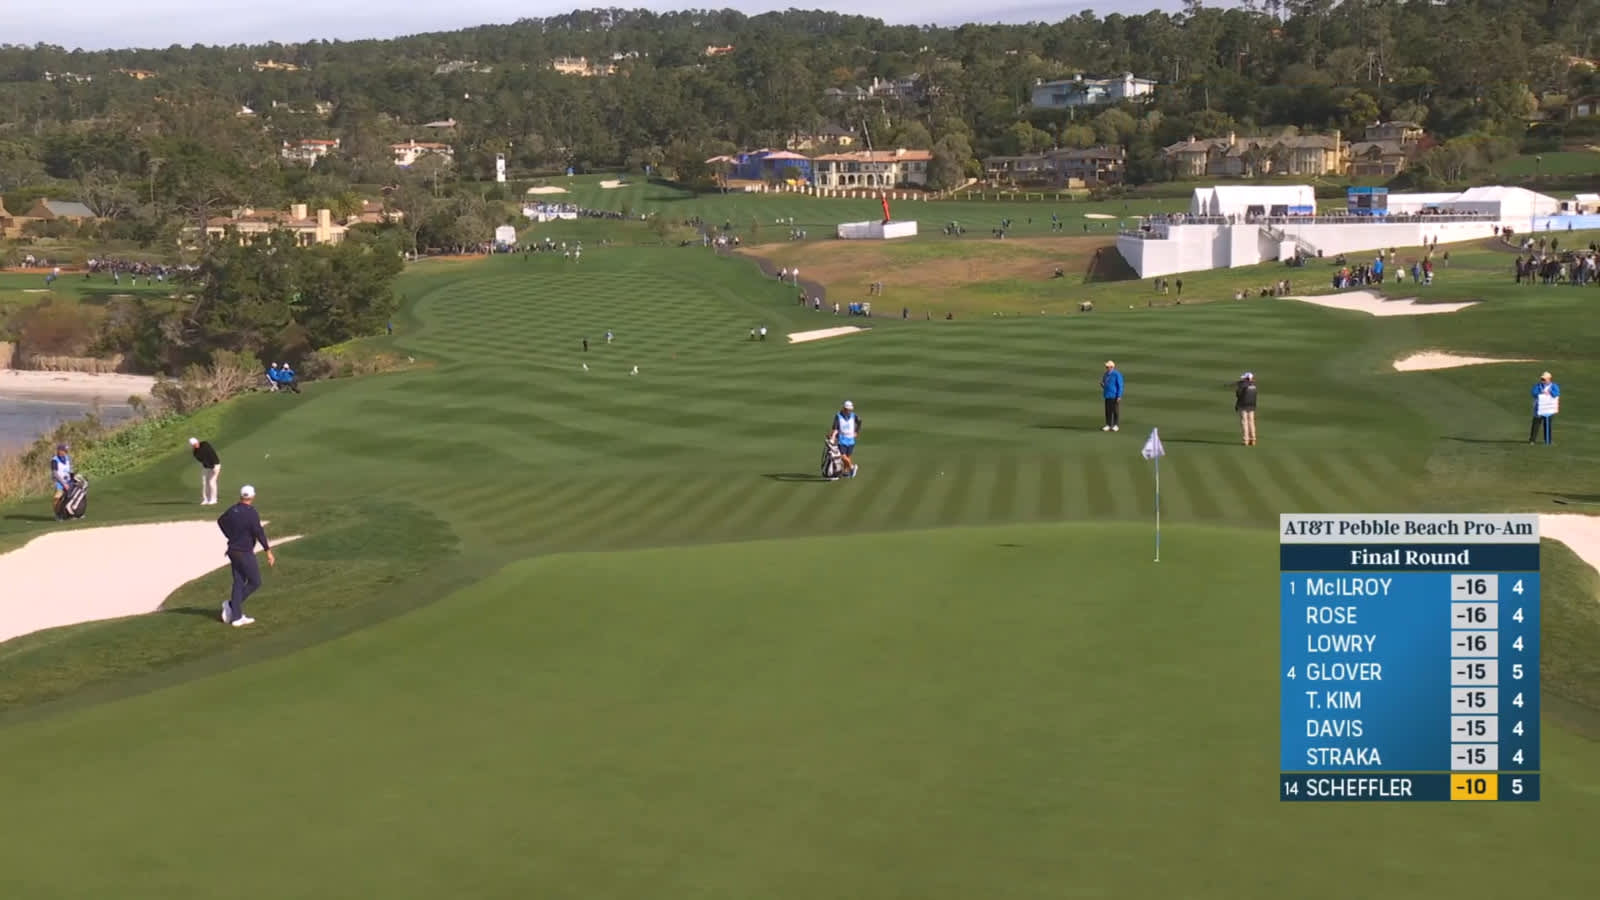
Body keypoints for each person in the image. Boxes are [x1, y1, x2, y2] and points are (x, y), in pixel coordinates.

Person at [217, 484, 275, 627]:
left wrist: (229, 535)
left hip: (232, 551)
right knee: (255, 582)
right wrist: (268, 551)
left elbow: (221, 521)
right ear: (252, 497)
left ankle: (236, 617)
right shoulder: (251, 512)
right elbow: (258, 532)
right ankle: (231, 605)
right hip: (244, 552)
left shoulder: (233, 509)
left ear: (242, 496)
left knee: (239, 582)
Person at [828, 400, 862, 479]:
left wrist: (856, 431)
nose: (849, 411)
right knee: (842, 456)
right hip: (842, 439)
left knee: (848, 456)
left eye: (850, 410)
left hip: (851, 440)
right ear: (844, 409)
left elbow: (859, 421)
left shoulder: (854, 416)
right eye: (848, 409)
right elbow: (835, 428)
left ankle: (846, 472)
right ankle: (852, 467)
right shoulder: (838, 416)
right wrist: (833, 436)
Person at [190, 436, 222, 505]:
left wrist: (213, 466)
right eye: (194, 445)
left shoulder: (205, 444)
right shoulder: (195, 453)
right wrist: (209, 466)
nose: (196, 445)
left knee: (212, 482)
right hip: (206, 467)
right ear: (192, 445)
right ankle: (205, 499)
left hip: (216, 465)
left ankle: (214, 499)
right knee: (204, 483)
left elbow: (211, 454)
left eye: (196, 443)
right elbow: (203, 460)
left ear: (198, 441)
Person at [1530, 371, 1560, 444]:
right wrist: (1541, 393)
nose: (1542, 380)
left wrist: (1550, 393)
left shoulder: (1554, 386)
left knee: (1548, 424)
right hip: (1539, 408)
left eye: (1544, 379)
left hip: (1549, 408)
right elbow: (1533, 393)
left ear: (1549, 379)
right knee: (1536, 424)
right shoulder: (1538, 386)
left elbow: (1556, 393)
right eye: (1542, 379)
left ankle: (1548, 440)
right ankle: (1532, 440)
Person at [49, 443, 73, 520]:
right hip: (59, 482)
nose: (66, 452)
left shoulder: (67, 458)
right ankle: (58, 515)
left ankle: (69, 514)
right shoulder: (54, 460)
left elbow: (70, 469)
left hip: (68, 481)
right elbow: (55, 473)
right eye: (64, 450)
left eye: (66, 451)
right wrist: (63, 483)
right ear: (59, 451)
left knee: (69, 498)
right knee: (58, 499)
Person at [1234, 372, 1258, 446]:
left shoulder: (1242, 385)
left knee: (1245, 422)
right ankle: (1253, 439)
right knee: (1251, 422)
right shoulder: (1254, 386)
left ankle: (1246, 440)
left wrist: (1239, 386)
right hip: (1252, 406)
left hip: (1243, 406)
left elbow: (1238, 394)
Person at [1100, 360, 1124, 432]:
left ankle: (1116, 425)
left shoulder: (1117, 374)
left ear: (1111, 367)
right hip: (1107, 395)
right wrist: (1103, 385)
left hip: (1114, 395)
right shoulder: (1106, 374)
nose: (1106, 368)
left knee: (1115, 411)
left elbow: (1120, 386)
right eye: (1106, 367)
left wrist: (1119, 396)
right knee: (1108, 411)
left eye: (1107, 367)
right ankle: (1108, 424)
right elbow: (1105, 384)